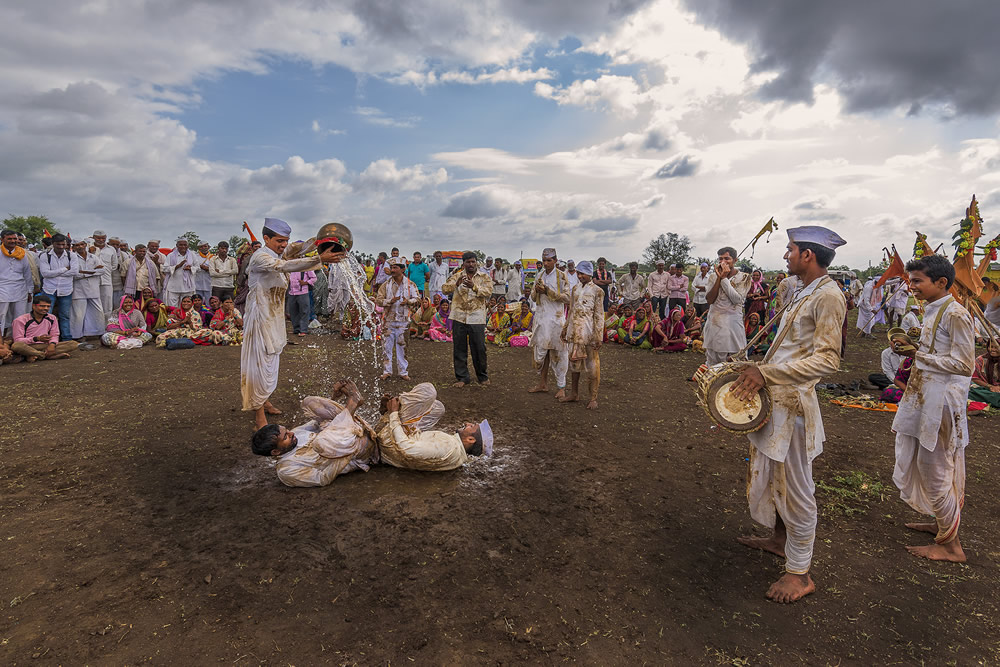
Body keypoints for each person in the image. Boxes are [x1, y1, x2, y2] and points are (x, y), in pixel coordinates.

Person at [730, 225, 847, 603]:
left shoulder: (828, 296)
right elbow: (790, 350)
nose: (785, 255)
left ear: (807, 255)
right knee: (773, 474)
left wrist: (766, 373)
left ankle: (800, 574)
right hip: (776, 400)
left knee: (796, 488)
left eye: (790, 249)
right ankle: (780, 540)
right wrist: (755, 366)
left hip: (793, 407)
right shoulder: (802, 291)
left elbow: (828, 360)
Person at [891, 254, 974, 563]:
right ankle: (942, 523)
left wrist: (920, 356)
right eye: (910, 280)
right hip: (924, 395)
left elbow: (965, 365)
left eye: (917, 281)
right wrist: (914, 348)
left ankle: (951, 547)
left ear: (941, 283)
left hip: (939, 403)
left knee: (935, 468)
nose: (911, 286)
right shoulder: (933, 309)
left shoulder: (955, 314)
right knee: (928, 463)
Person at [242, 219, 345, 428]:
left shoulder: (280, 252)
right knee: (259, 364)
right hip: (260, 316)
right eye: (279, 241)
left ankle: (265, 399)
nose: (283, 245)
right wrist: (319, 259)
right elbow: (284, 266)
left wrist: (323, 240)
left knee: (272, 361)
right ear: (266, 239)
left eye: (285, 241)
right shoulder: (260, 257)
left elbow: (298, 248)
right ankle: (259, 415)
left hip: (275, 316)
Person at [250, 380, 379, 488]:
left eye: (286, 430)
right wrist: (345, 455)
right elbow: (322, 478)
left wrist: (334, 397)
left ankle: (351, 406)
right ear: (276, 452)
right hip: (357, 450)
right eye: (285, 437)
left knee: (308, 403)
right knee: (320, 443)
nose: (290, 433)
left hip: (351, 431)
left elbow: (316, 421)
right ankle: (352, 404)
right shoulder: (287, 470)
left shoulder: (294, 435)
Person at [378, 387, 492, 472]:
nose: (467, 423)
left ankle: (393, 404)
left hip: (389, 443)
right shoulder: (457, 454)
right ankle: (395, 406)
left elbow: (406, 448)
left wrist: (394, 414)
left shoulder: (449, 447)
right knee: (438, 408)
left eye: (471, 427)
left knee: (429, 392)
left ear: (471, 439)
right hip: (401, 442)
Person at [442, 251, 492, 387]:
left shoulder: (484, 277)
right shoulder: (457, 276)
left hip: (477, 317)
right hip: (459, 316)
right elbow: (445, 289)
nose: (471, 264)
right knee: (459, 348)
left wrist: (474, 287)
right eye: (468, 262)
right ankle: (462, 378)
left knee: (479, 348)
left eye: (473, 262)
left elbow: (488, 292)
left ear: (476, 262)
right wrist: (455, 284)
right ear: (463, 263)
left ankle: (482, 376)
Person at [559, 261, 604, 409]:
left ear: (590, 274)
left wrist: (598, 335)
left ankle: (593, 397)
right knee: (574, 364)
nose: (580, 276)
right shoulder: (575, 289)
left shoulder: (598, 291)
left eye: (582, 273)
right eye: (578, 273)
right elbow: (571, 310)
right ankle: (574, 393)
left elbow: (599, 315)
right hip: (574, 331)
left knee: (592, 365)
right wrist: (566, 328)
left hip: (589, 332)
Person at [529, 248, 571, 398]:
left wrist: (548, 291)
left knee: (559, 354)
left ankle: (561, 387)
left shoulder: (562, 276)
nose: (545, 263)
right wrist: (537, 291)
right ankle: (543, 383)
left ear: (555, 260)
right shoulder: (539, 275)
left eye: (549, 261)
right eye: (544, 260)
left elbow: (567, 298)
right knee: (541, 353)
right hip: (541, 319)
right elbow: (533, 298)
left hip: (556, 320)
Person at [702, 247, 751, 365]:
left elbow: (737, 299)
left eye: (727, 259)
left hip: (732, 323)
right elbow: (710, 300)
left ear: (735, 260)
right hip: (714, 321)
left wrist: (724, 278)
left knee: (735, 357)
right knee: (713, 357)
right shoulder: (713, 276)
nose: (723, 262)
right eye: (720, 259)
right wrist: (719, 278)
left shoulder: (744, 277)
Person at [376, 257, 421, 380]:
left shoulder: (410, 285)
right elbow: (378, 301)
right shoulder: (386, 285)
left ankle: (403, 372)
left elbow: (418, 299)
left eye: (395, 268)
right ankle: (387, 371)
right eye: (391, 267)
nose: (392, 270)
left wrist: (408, 301)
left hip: (403, 321)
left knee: (402, 346)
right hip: (388, 320)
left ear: (402, 270)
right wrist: (390, 301)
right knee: (387, 346)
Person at [10, 294, 80, 361]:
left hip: (45, 345)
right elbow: (18, 340)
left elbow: (55, 334)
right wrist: (37, 338)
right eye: (42, 306)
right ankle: (43, 355)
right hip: (28, 346)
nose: (45, 308)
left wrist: (52, 345)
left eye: (48, 306)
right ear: (33, 306)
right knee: (16, 346)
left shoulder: (52, 318)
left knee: (73, 344)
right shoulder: (20, 320)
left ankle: (34, 355)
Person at [38, 233, 79, 339]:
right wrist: (64, 269)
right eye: (58, 244)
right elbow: (45, 274)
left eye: (63, 244)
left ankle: (66, 337)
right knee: (46, 314)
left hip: (66, 289)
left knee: (64, 316)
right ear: (53, 244)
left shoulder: (71, 255)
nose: (61, 247)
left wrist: (54, 272)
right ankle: (44, 338)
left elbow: (74, 272)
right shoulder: (45, 256)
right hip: (49, 289)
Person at [71, 238, 106, 341]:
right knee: (78, 314)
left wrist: (83, 272)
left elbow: (102, 271)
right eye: (77, 245)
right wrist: (92, 272)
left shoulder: (93, 257)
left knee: (97, 312)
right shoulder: (72, 258)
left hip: (93, 289)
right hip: (78, 290)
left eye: (82, 244)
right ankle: (77, 335)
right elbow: (74, 274)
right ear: (73, 247)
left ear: (85, 245)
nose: (80, 247)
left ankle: (97, 332)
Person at [0, 229, 33, 337]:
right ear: (2, 239)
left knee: (20, 316)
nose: (13, 241)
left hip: (20, 288)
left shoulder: (21, 253)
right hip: (2, 287)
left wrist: (29, 291)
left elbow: (27, 273)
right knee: (1, 315)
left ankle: (17, 340)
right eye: (9, 239)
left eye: (14, 238)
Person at [162, 238, 200, 308]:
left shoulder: (192, 255)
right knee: (172, 306)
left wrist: (190, 268)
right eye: (181, 245)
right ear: (177, 245)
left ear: (188, 246)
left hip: (188, 287)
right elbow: (164, 268)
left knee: (187, 306)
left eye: (185, 245)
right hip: (174, 286)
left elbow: (198, 268)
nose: (183, 247)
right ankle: (173, 318)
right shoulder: (171, 255)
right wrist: (177, 266)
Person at [91, 231, 119, 315]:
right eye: (98, 238)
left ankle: (106, 326)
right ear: (94, 238)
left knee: (107, 304)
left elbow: (114, 265)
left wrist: (105, 271)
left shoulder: (111, 249)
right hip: (92, 280)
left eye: (103, 238)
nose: (101, 240)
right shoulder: (89, 248)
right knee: (93, 303)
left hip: (106, 280)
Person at [969, 338, 1000, 408]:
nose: (993, 350)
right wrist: (990, 386)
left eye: (996, 347)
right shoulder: (981, 360)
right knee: (970, 390)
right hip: (984, 388)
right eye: (991, 347)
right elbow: (974, 378)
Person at [286, 268, 316, 337]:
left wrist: (305, 282)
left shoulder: (306, 267)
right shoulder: (291, 266)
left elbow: (314, 278)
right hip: (292, 292)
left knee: (304, 311)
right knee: (293, 311)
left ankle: (303, 330)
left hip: (303, 292)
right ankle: (296, 329)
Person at [233, 240, 260, 310]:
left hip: (261, 282)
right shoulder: (248, 258)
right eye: (256, 247)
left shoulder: (265, 258)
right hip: (249, 282)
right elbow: (242, 272)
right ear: (252, 248)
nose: (257, 248)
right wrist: (239, 285)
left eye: (259, 247)